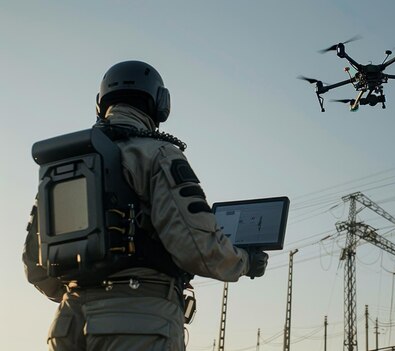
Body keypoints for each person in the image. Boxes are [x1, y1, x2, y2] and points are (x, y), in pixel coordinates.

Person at [22, 60, 268, 350]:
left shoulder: (65, 163)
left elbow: (34, 266)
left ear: (100, 103)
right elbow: (200, 248)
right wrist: (246, 262)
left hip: (66, 326)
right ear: (161, 104)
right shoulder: (158, 153)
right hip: (139, 321)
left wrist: (86, 291)